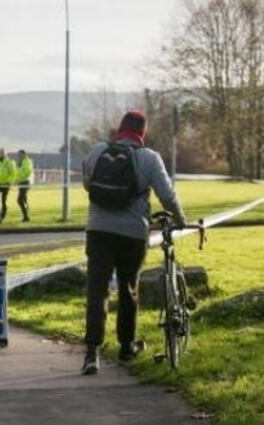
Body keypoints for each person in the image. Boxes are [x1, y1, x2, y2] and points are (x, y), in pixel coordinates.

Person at [80, 110, 186, 375]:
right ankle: (126, 346)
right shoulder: (149, 158)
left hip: (98, 230)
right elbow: (167, 196)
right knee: (128, 288)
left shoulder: (97, 151)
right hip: (132, 234)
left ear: (120, 129)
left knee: (97, 289)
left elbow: (87, 184)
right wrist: (181, 219)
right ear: (142, 133)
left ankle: (92, 352)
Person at [0, 149, 17, 223]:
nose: (1, 154)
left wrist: (8, 182)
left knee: (3, 200)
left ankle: (2, 215)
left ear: (6, 154)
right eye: (0, 153)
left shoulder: (10, 162)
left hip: (6, 184)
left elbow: (13, 173)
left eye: (3, 153)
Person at [15, 149, 34, 222]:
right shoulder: (21, 162)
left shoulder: (27, 161)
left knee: (20, 200)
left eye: (20, 155)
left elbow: (27, 171)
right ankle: (26, 216)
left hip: (25, 182)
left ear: (24, 154)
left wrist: (21, 177)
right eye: (18, 155)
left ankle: (26, 216)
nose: (19, 156)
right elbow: (18, 172)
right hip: (21, 182)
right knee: (24, 200)